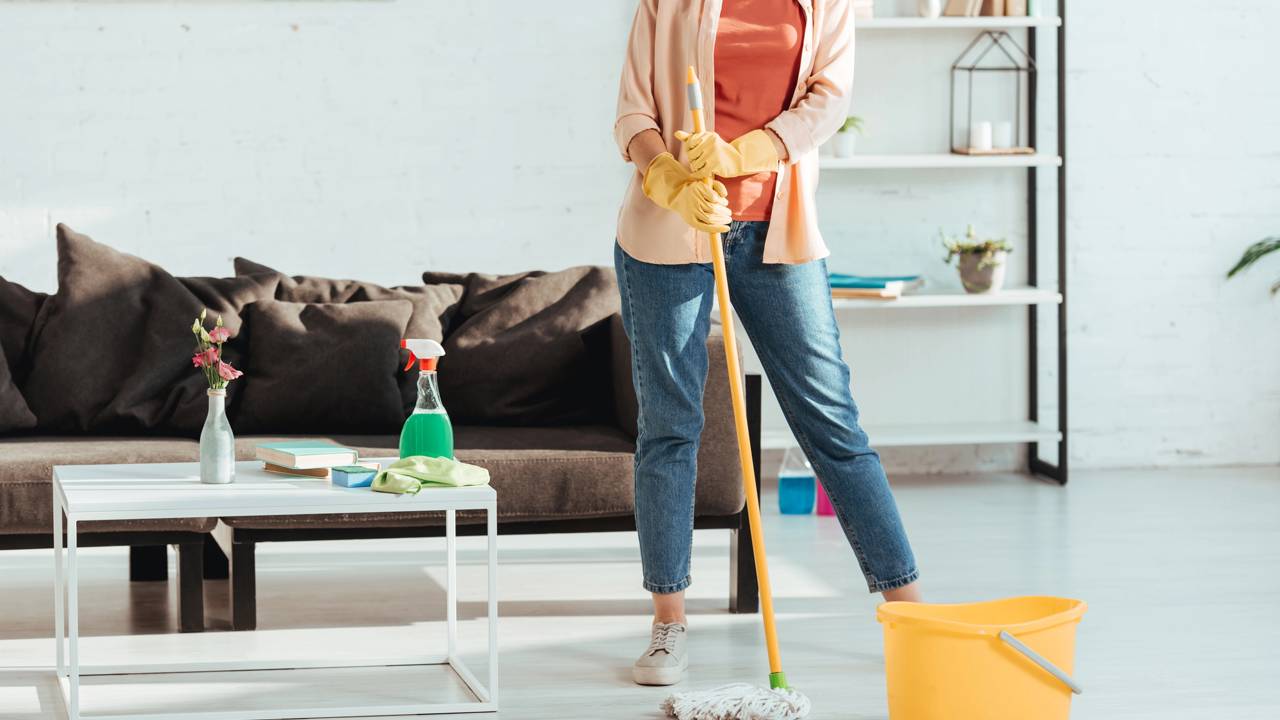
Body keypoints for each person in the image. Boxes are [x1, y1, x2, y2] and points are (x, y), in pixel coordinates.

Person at [612, 0, 923, 687]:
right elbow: (633, 113)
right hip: (669, 237)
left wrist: (742, 151)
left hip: (776, 235)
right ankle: (669, 624)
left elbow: (828, 99)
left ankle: (909, 611)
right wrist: (666, 178)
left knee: (833, 425)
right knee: (671, 427)